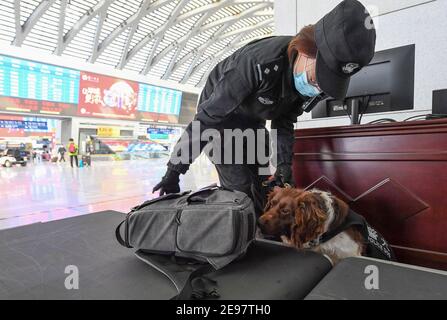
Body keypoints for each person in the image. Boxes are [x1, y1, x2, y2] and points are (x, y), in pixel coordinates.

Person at [153, 0, 376, 218]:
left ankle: (265, 238)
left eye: (325, 83)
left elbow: (284, 122)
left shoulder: (307, 86)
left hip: (253, 121)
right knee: (240, 190)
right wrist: (175, 170)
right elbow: (207, 119)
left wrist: (283, 166)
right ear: (307, 52)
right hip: (220, 122)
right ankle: (237, 242)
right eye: (318, 78)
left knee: (265, 185)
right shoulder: (258, 63)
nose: (318, 88)